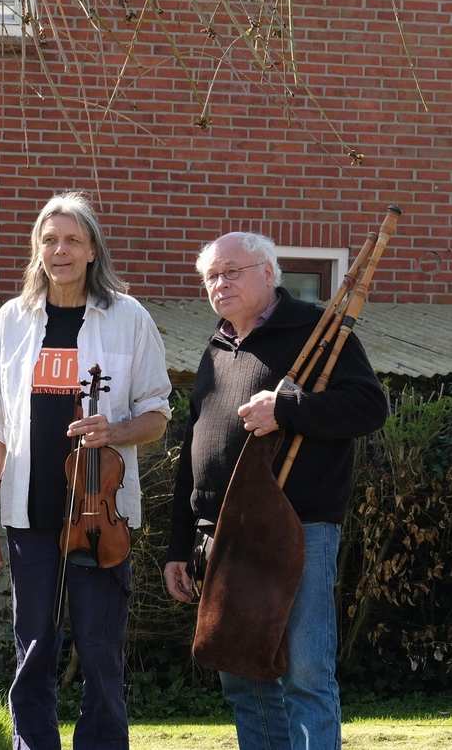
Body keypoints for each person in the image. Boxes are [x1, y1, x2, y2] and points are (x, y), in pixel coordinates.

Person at [163, 232, 386, 750]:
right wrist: (178, 546)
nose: (220, 283)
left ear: (268, 272)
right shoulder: (216, 348)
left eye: (232, 271)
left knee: (305, 674)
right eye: (212, 276)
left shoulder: (318, 333)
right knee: (241, 672)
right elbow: (192, 454)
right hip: (221, 534)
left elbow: (369, 408)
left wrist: (286, 407)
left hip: (298, 526)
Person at [0, 192, 172, 750]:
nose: (60, 250)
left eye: (72, 240)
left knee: (101, 650)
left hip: (100, 517)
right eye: (49, 240)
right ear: (37, 249)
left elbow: (157, 413)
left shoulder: (129, 317)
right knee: (32, 646)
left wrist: (117, 431)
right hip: (28, 513)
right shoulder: (10, 321)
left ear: (91, 251)